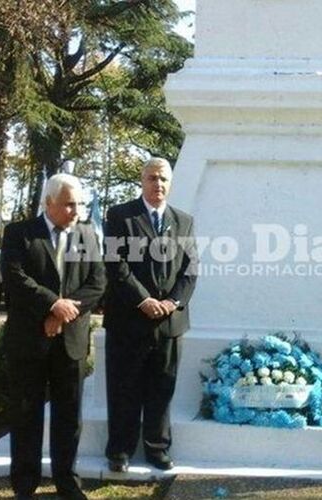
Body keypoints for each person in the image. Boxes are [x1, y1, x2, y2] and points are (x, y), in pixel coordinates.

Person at [0, 173, 105, 500]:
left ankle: (67, 480)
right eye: (69, 204)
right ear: (49, 203)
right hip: (29, 340)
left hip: (70, 342)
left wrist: (63, 314)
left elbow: (98, 282)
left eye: (79, 204)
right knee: (26, 413)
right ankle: (25, 484)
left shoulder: (88, 235)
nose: (76, 210)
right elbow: (15, 279)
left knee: (68, 416)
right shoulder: (20, 233)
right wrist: (51, 306)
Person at [103, 157, 198, 474]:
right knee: (124, 388)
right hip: (129, 320)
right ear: (142, 181)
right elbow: (116, 265)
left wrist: (172, 302)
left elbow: (190, 270)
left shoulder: (183, 221)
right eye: (152, 178)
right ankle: (120, 450)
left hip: (169, 323)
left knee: (162, 389)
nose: (158, 184)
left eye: (163, 179)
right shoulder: (120, 216)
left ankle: (157, 449)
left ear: (170, 183)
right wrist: (143, 300)